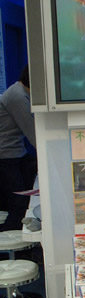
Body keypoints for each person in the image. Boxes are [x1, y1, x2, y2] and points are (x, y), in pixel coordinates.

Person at [0, 65, 37, 231]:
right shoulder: (18, 96)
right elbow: (32, 133)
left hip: (16, 153)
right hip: (7, 156)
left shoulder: (21, 92)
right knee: (19, 204)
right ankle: (12, 237)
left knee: (23, 199)